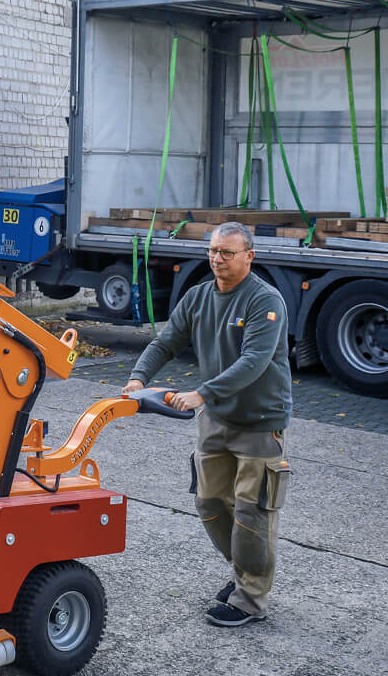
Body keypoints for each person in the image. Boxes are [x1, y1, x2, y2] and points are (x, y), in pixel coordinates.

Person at [124, 221, 292, 628]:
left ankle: (251, 599)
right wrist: (138, 377)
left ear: (249, 257)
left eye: (227, 253)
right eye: (214, 251)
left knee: (252, 512)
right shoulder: (199, 296)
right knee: (210, 503)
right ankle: (244, 573)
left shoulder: (264, 301)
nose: (218, 259)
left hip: (258, 422)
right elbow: (166, 341)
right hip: (215, 420)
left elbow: (253, 361)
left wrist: (202, 393)